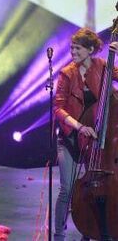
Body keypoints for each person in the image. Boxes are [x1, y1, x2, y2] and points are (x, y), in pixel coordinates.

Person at [52, 28, 118, 240]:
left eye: (77, 48)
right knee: (68, 189)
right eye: (72, 47)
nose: (73, 51)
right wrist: (80, 127)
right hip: (71, 138)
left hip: (95, 142)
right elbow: (58, 109)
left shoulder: (102, 66)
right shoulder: (67, 73)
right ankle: (59, 234)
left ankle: (90, 229)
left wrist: (116, 51)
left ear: (90, 50)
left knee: (98, 186)